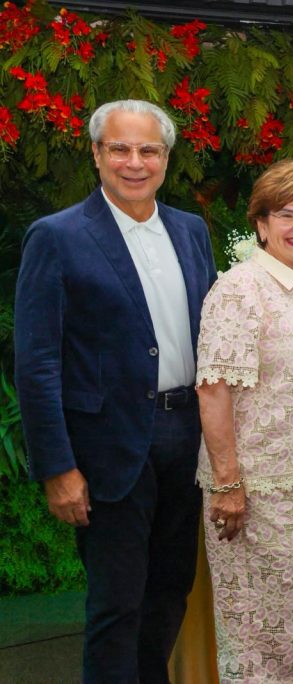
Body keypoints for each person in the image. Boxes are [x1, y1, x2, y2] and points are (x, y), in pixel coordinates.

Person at [14, 100, 217, 683]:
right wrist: (58, 468)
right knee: (117, 605)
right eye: (120, 149)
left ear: (166, 158)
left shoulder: (190, 230)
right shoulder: (56, 237)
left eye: (148, 150)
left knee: (170, 591)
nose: (135, 162)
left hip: (187, 440)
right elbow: (37, 363)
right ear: (97, 154)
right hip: (108, 449)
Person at [193, 159, 293, 681]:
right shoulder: (240, 289)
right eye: (287, 215)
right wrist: (228, 485)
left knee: (289, 628)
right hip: (255, 495)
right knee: (258, 637)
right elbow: (213, 389)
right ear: (261, 224)